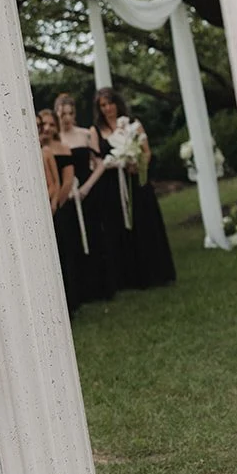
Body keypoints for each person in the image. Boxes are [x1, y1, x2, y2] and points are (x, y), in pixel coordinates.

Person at [92, 87, 175, 289]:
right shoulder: (96, 131)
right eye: (103, 105)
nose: (107, 108)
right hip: (113, 186)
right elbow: (96, 159)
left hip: (136, 182)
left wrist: (137, 164)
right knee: (119, 228)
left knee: (144, 222)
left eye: (110, 103)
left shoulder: (133, 125)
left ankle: (155, 272)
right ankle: (128, 276)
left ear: (117, 103)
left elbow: (147, 152)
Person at [53, 91, 115, 303]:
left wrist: (87, 187)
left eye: (70, 113)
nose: (67, 118)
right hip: (68, 196)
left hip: (88, 190)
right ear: (57, 114)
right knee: (73, 240)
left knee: (95, 234)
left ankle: (102, 286)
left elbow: (100, 163)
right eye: (63, 114)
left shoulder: (85, 134)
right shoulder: (55, 140)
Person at [38, 109, 81, 314]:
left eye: (49, 124)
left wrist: (56, 203)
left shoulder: (57, 150)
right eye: (42, 125)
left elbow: (63, 182)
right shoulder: (40, 149)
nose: (46, 128)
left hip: (58, 206)